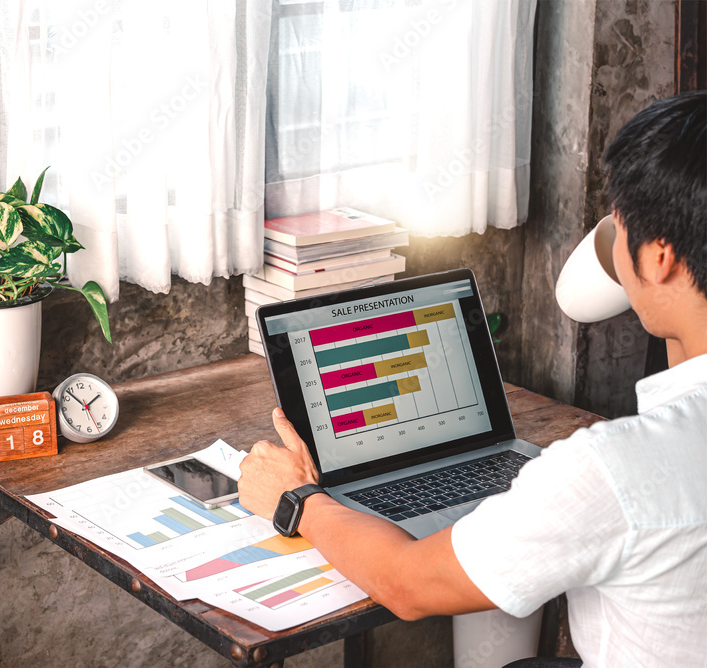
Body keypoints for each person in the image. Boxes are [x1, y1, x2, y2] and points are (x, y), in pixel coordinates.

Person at [238, 90, 707, 667]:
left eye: (619, 228)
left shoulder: (616, 469)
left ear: (659, 257)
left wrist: (297, 499)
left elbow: (407, 585)